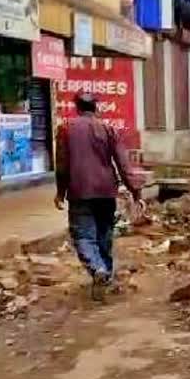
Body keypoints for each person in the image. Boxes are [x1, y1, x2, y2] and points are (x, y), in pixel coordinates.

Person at [55, 92, 143, 301]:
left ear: (77, 107)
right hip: (105, 190)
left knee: (84, 235)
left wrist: (60, 192)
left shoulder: (65, 129)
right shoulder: (107, 129)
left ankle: (98, 270)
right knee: (104, 234)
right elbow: (123, 164)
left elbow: (62, 165)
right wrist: (135, 192)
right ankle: (106, 275)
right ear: (96, 107)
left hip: (80, 191)